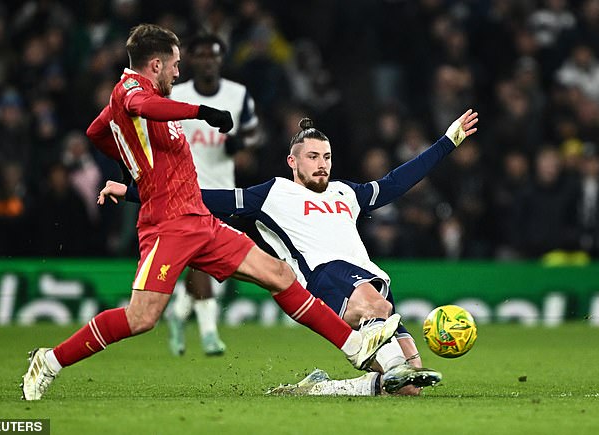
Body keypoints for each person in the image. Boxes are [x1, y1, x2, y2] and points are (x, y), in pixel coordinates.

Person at [20, 23, 401, 401]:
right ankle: (49, 361)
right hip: (167, 225)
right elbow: (138, 106)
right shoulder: (131, 90)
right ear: (155, 64)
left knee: (280, 274)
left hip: (200, 220)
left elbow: (96, 132)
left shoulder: (136, 105)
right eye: (174, 64)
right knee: (141, 318)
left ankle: (354, 346)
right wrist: (200, 111)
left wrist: (130, 161)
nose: (178, 71)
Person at [100, 108, 479, 395]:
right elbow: (200, 198)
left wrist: (448, 141)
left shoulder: (346, 193)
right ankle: (390, 366)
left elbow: (396, 182)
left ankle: (320, 388)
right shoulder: (271, 193)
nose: (322, 165)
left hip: (370, 279)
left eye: (327, 157)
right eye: (313, 157)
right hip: (323, 279)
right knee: (379, 314)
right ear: (292, 161)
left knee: (408, 385)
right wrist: (131, 191)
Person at [166, 34, 261, 357]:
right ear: (190, 60)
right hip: (185, 191)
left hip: (224, 192)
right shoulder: (176, 96)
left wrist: (241, 144)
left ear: (221, 60)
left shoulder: (238, 94)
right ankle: (209, 333)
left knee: (206, 263)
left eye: (214, 55)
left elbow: (252, 131)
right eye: (201, 55)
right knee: (202, 262)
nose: (208, 60)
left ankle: (179, 313)